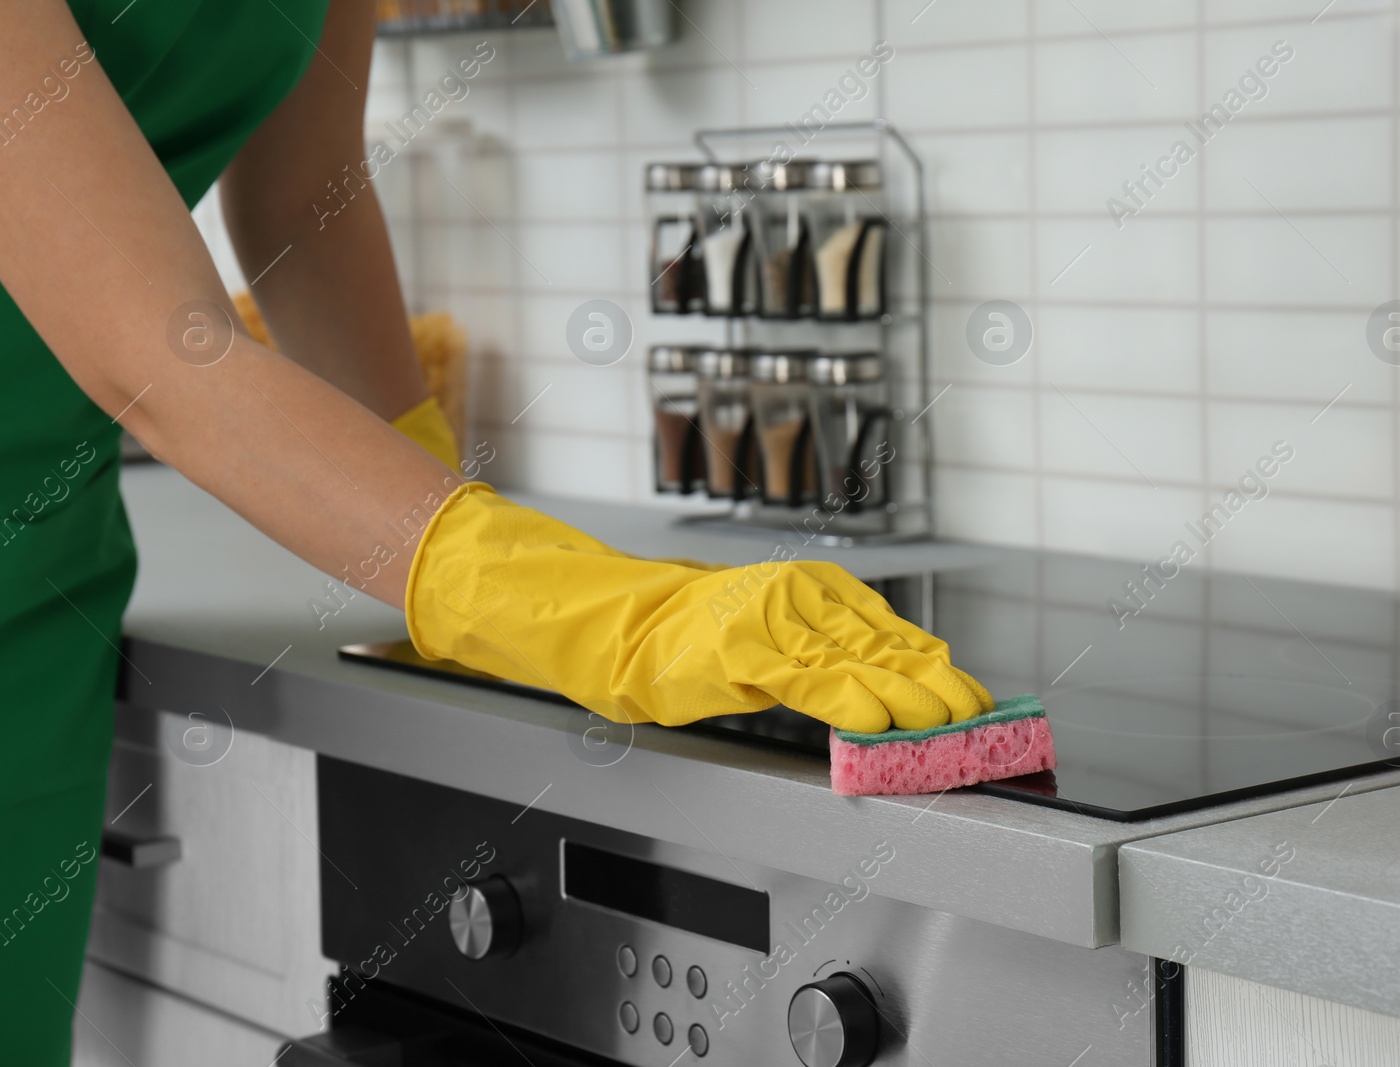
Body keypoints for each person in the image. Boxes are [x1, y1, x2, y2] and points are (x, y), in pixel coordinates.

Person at [0, 2, 992, 1059]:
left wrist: (463, 528)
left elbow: (304, 204)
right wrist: (582, 609)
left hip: (47, 561)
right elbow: (161, 352)